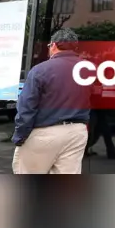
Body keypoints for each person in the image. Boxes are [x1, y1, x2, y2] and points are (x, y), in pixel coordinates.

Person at [11, 28, 91, 174]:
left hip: (44, 132)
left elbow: (27, 106)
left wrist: (20, 135)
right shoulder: (87, 71)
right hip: (77, 133)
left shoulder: (40, 70)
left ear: (53, 45)